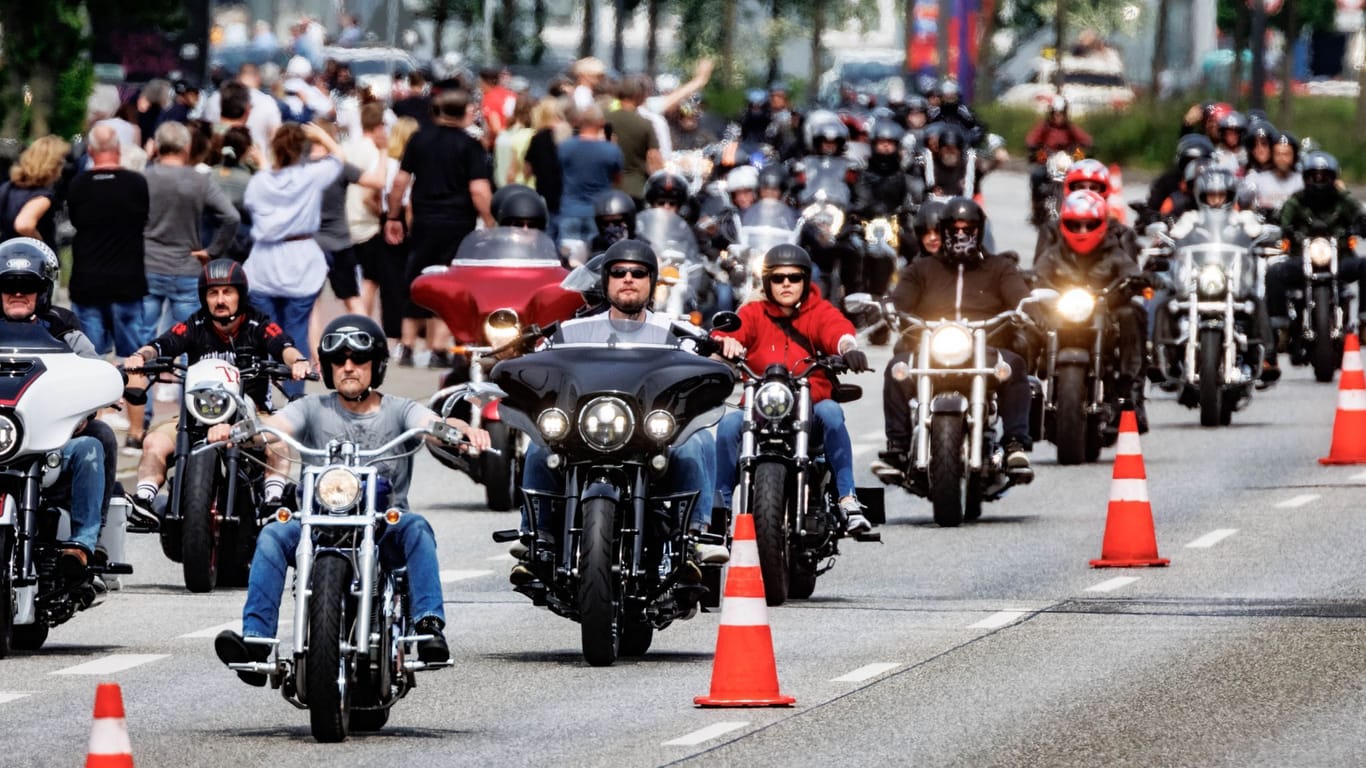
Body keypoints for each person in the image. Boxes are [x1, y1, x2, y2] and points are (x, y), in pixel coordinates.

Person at [211, 314, 491, 682]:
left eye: (358, 360)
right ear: (327, 369)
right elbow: (275, 427)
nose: (348, 368)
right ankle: (258, 641)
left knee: (417, 528)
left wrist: (462, 430)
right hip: (319, 523)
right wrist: (239, 430)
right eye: (338, 361)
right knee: (273, 534)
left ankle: (428, 629)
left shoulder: (399, 409)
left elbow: (433, 424)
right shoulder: (312, 408)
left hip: (383, 522)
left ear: (375, 366)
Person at [510, 241, 729, 585]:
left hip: (651, 435)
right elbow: (541, 359)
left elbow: (708, 360)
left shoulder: (677, 331)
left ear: (651, 281)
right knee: (539, 445)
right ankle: (536, 541)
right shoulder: (571, 331)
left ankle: (694, 540)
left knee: (695, 442)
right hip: (588, 431)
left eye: (638, 273)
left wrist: (722, 351)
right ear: (606, 281)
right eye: (619, 272)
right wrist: (516, 354)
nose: (628, 279)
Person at [123, 259, 313, 521]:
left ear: (240, 295)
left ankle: (272, 502)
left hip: (251, 414)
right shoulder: (195, 324)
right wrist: (140, 357)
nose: (220, 299)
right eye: (213, 293)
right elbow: (161, 344)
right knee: (154, 441)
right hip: (196, 414)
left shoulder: (257, 322)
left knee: (275, 439)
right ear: (204, 297)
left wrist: (298, 362)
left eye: (227, 292)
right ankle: (144, 499)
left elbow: (283, 345)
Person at [710, 243, 873, 534]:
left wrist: (848, 348)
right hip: (760, 408)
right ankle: (717, 508)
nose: (786, 283)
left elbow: (837, 331)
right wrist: (725, 342)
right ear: (766, 282)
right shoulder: (754, 313)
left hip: (811, 405)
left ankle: (848, 499)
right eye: (778, 278)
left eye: (794, 277)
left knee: (833, 413)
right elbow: (728, 332)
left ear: (805, 280)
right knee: (726, 426)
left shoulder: (818, 310)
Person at [879, 197, 1034, 475]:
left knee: (1013, 365)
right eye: (954, 228)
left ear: (979, 230)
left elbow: (1019, 296)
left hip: (984, 350)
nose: (961, 234)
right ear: (945, 230)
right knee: (897, 368)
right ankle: (898, 448)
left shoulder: (999, 267)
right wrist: (890, 307)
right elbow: (900, 298)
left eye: (968, 228)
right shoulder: (922, 269)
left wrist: (1026, 307)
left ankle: (1014, 444)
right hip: (932, 349)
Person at [0, 238, 121, 573]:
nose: (18, 293)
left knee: (95, 441)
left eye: (28, 286)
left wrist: (82, 412)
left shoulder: (64, 327)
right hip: (5, 433)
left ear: (44, 290)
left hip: (48, 441)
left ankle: (85, 542)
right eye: (9, 285)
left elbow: (94, 369)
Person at [385, 89, 494, 368]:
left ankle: (407, 345)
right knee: (450, 284)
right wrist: (492, 222)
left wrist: (393, 216)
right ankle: (438, 346)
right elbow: (479, 190)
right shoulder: (470, 146)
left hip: (423, 220)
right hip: (458, 222)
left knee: (417, 279)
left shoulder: (419, 139)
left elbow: (399, 182)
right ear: (464, 113)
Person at [243, 121, 343, 399]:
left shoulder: (261, 180)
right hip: (301, 260)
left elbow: (255, 200)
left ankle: (260, 396)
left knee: (264, 331)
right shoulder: (311, 176)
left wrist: (266, 165)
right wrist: (323, 135)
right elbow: (339, 160)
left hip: (265, 260)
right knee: (296, 329)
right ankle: (294, 396)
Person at [1034, 190, 1149, 429]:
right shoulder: (1055, 253)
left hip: (1104, 313)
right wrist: (1027, 280)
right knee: (1026, 319)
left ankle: (1131, 391)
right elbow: (1038, 274)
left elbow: (1130, 269)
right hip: (1064, 314)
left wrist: (1138, 280)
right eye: (1076, 225)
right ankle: (1029, 392)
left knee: (1132, 313)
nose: (1083, 231)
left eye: (1089, 225)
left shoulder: (1114, 250)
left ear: (1101, 224)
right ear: (1065, 224)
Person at [1268, 151, 1366, 367]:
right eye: (1314, 176)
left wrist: (1360, 225)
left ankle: (1364, 320)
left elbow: (1360, 214)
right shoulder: (1297, 200)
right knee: (1274, 273)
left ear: (1333, 178)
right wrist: (1284, 231)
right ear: (1305, 178)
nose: (1319, 182)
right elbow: (1282, 221)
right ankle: (1281, 327)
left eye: (1324, 177)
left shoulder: (1344, 199)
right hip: (1303, 261)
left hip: (1339, 260)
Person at [0, 135, 70, 248]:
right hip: (32, 260)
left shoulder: (8, 188)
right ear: (52, 165)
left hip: (6, 254)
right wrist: (41, 245)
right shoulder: (42, 198)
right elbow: (24, 225)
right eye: (61, 162)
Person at [606, 76, 663, 206]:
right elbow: (654, 159)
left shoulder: (605, 118)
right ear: (638, 95)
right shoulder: (645, 124)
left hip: (608, 187)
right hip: (636, 188)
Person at [1246, 130, 1301, 216]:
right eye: (1278, 154)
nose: (1281, 158)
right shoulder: (1257, 180)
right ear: (1272, 155)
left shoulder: (1301, 182)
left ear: (1294, 156)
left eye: (1286, 154)